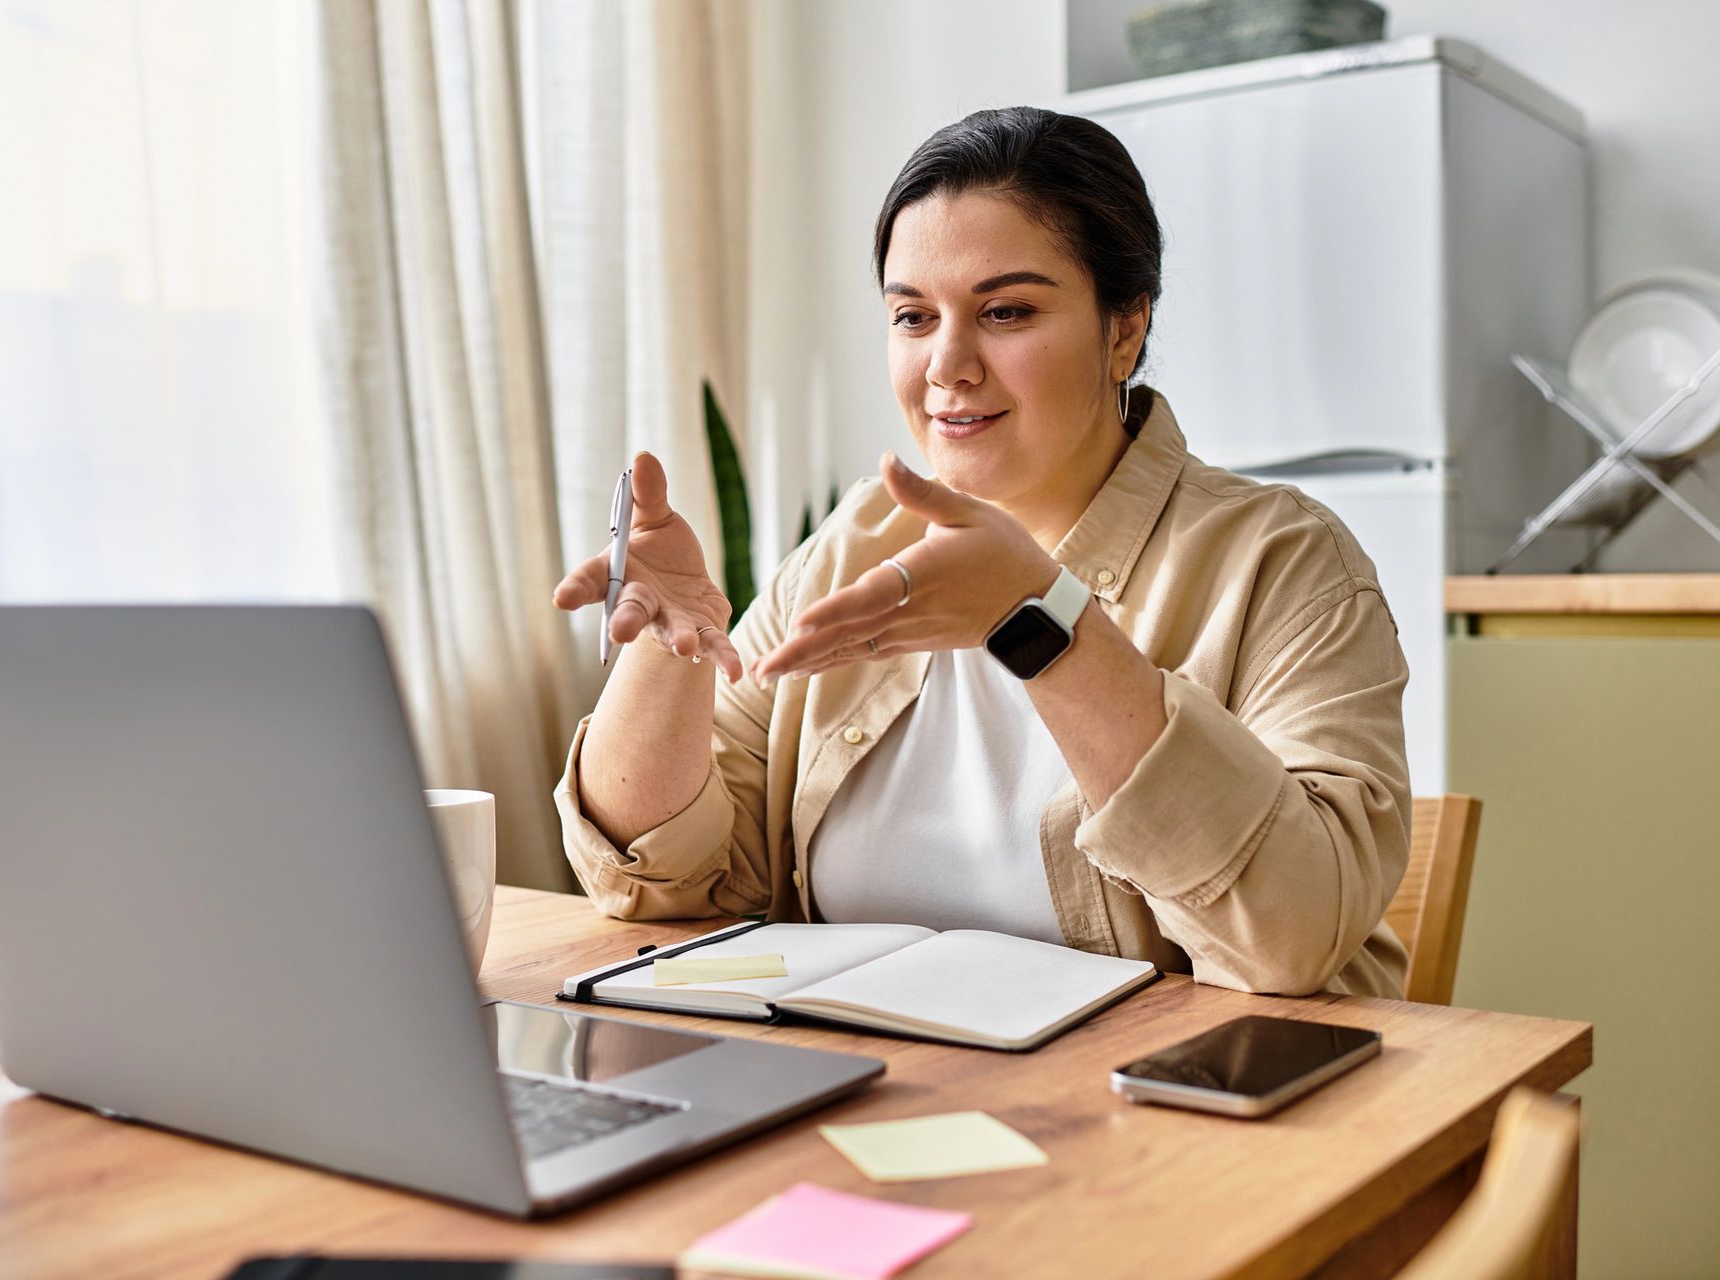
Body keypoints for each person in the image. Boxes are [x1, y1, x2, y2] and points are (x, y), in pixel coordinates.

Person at [551, 106, 1410, 997]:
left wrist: (1042, 624)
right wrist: (669, 652)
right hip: (889, 1097)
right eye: (913, 317)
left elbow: (1295, 937)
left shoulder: (1287, 562)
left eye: (1005, 311)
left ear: (1125, 330)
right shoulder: (853, 545)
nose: (947, 366)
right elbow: (659, 888)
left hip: (1173, 1116)